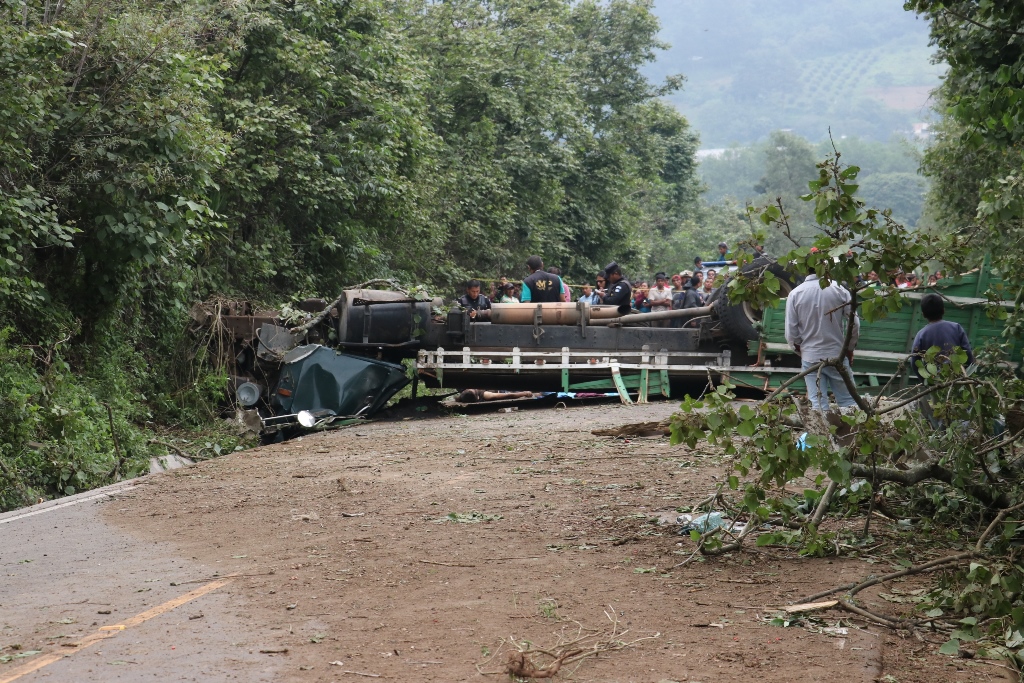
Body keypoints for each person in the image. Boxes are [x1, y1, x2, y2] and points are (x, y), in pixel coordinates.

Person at [784, 262, 861, 413]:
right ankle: (853, 435)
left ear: (805, 269)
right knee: (848, 402)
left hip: (810, 358)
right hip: (837, 355)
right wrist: (849, 349)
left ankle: (822, 436)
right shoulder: (839, 290)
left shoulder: (795, 294)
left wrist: (803, 350)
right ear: (827, 269)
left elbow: (791, 334)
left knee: (818, 404)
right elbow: (855, 324)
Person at [911, 294, 975, 375]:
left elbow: (915, 363)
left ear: (923, 314)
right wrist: (965, 376)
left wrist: (926, 382)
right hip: (957, 378)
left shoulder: (921, 335)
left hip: (935, 381)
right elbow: (967, 354)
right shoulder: (956, 328)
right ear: (943, 310)